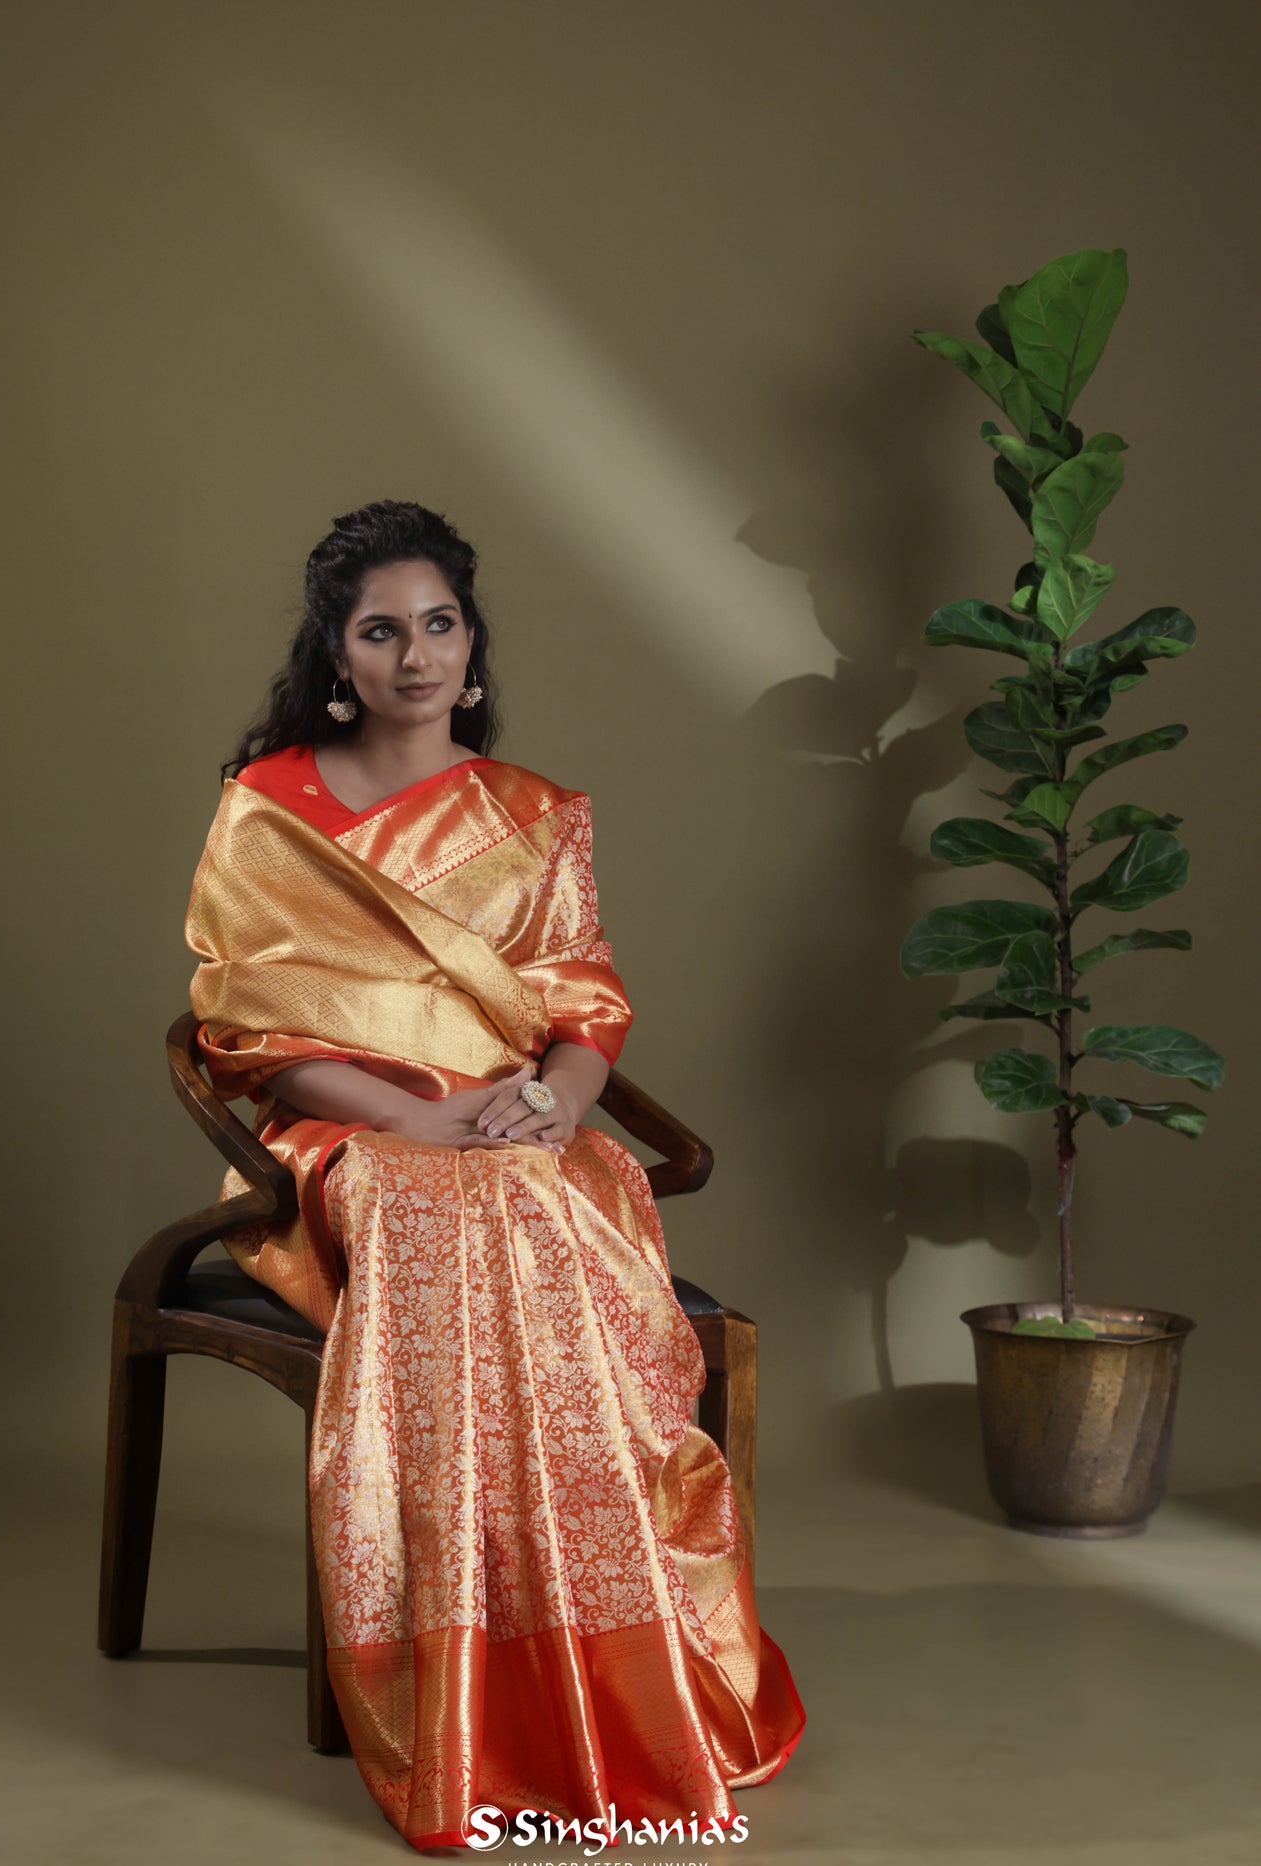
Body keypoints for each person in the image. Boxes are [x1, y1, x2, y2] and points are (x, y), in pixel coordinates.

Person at [184, 499, 805, 1851]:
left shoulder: (530, 815)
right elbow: (252, 1037)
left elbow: (583, 1007)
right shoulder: (267, 808)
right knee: (451, 1219)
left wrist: (542, 1102)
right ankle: (460, 1681)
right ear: (336, 654)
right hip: (348, 1142)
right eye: (381, 629)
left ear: (470, 644)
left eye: (440, 623)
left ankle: (607, 1668)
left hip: (515, 1130)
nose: (416, 653)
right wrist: (418, 1123)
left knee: (535, 1199)